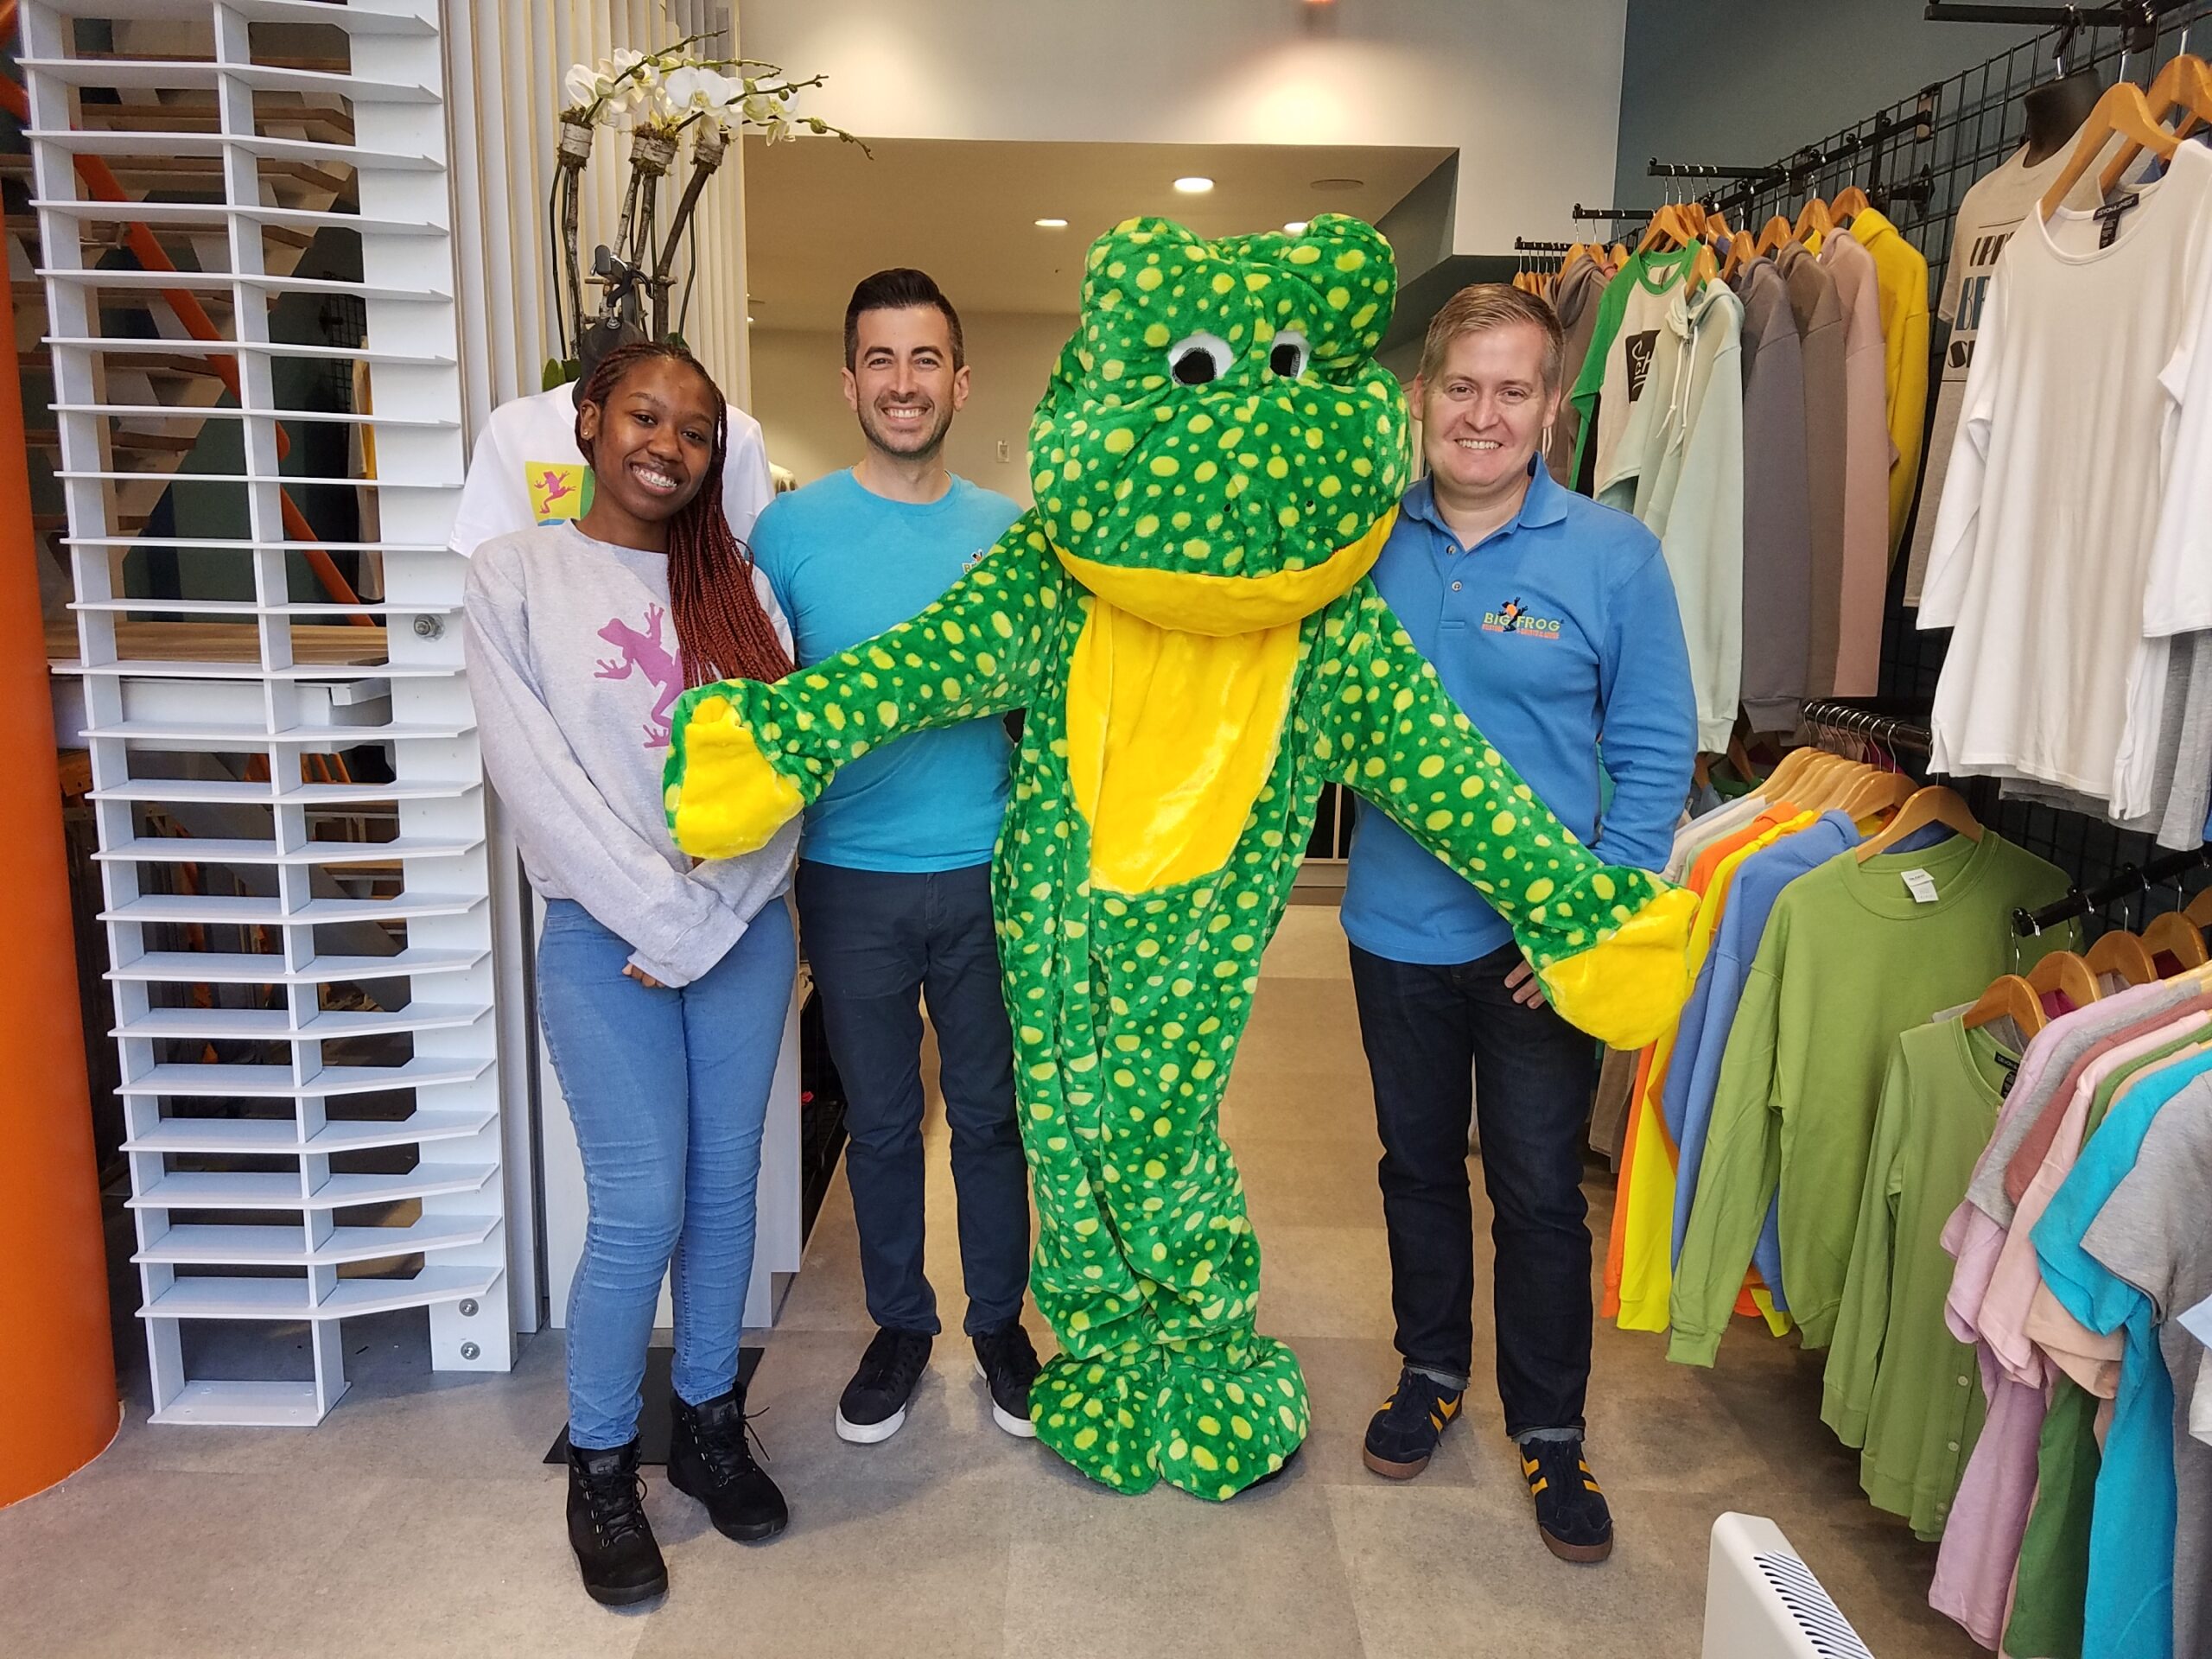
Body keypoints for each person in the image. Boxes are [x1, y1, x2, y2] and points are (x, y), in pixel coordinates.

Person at [1339, 284, 1696, 1563]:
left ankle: (1551, 1431)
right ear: (1421, 398)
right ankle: (1430, 1369)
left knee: (1543, 1196)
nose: (1482, 415)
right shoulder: (1361, 543)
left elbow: (1654, 755)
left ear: (1554, 408)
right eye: (1460, 388)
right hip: (1391, 931)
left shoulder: (1613, 556)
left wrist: (1587, 928)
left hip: (1539, 954)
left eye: (1513, 390)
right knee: (1416, 1167)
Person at [463, 341, 798, 1606]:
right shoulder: (515, 577)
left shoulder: (743, 593)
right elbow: (537, 789)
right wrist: (663, 921)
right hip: (609, 943)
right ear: (590, 421)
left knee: (724, 1195)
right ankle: (603, 1463)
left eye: (697, 431)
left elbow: (783, 777)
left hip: (744, 931)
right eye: (645, 415)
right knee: (640, 1202)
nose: (668, 444)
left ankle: (709, 1423)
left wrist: (712, 916)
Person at [748, 270, 1034, 1446]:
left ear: (959, 381)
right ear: (850, 379)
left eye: (926, 360)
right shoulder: (788, 531)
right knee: (876, 1121)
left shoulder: (1014, 535)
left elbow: (1049, 714)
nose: (904, 383)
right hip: (849, 879)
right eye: (882, 359)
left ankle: (1002, 1326)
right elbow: (754, 710)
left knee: (991, 1118)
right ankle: (902, 1324)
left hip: (987, 871)